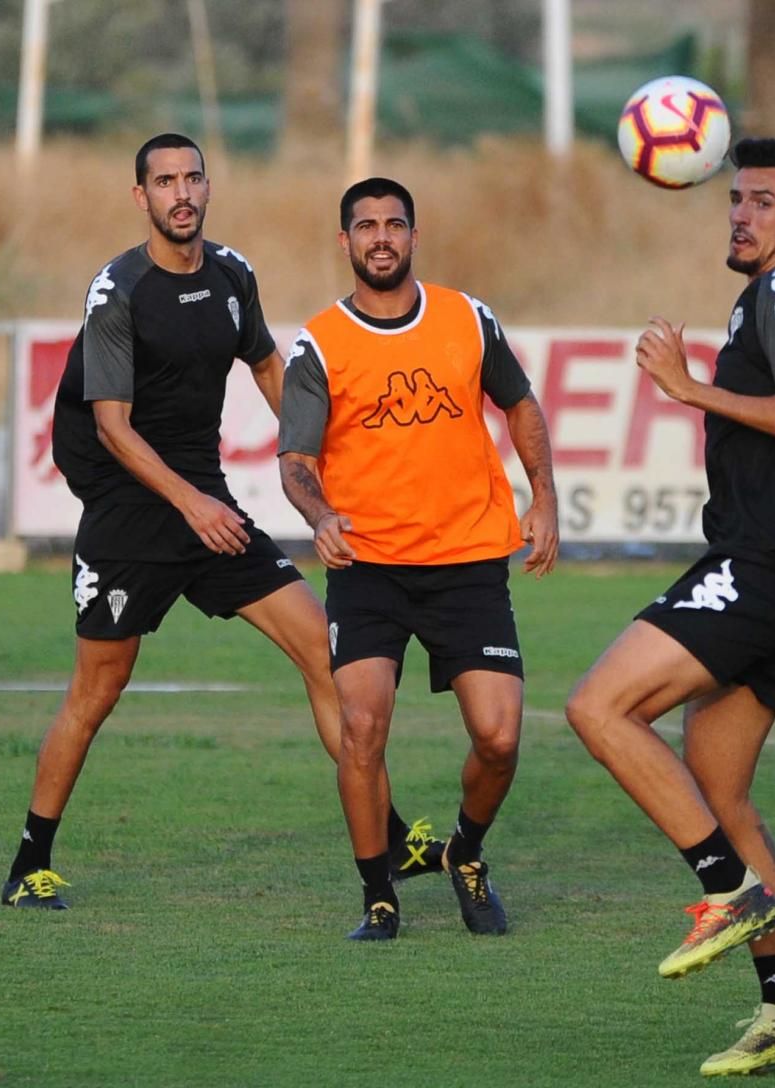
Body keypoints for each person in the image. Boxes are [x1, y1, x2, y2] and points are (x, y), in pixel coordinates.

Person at [1, 135, 442, 911]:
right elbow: (112, 427)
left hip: (205, 504)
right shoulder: (117, 293)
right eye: (165, 181)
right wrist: (191, 503)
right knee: (97, 691)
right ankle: (28, 865)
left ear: (208, 187)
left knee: (321, 646)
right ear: (141, 197)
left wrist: (320, 464)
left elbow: (269, 367)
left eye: (193, 178)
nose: (182, 193)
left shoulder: (233, 274)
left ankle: (390, 834)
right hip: (130, 515)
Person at [565, 138, 775, 1076]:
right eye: (737, 200)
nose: (742, 215)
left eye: (764, 202)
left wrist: (687, 389)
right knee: (720, 791)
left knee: (598, 706)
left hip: (759, 565)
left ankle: (729, 890)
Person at [279, 177, 559, 941]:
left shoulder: (467, 317)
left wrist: (546, 497)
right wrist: (319, 513)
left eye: (393, 225)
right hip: (368, 569)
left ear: (413, 235)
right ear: (345, 242)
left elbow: (521, 403)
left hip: (469, 560)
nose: (380, 238)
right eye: (365, 226)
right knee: (361, 730)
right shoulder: (320, 342)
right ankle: (379, 896)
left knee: (500, 738)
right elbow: (295, 458)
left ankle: (465, 853)